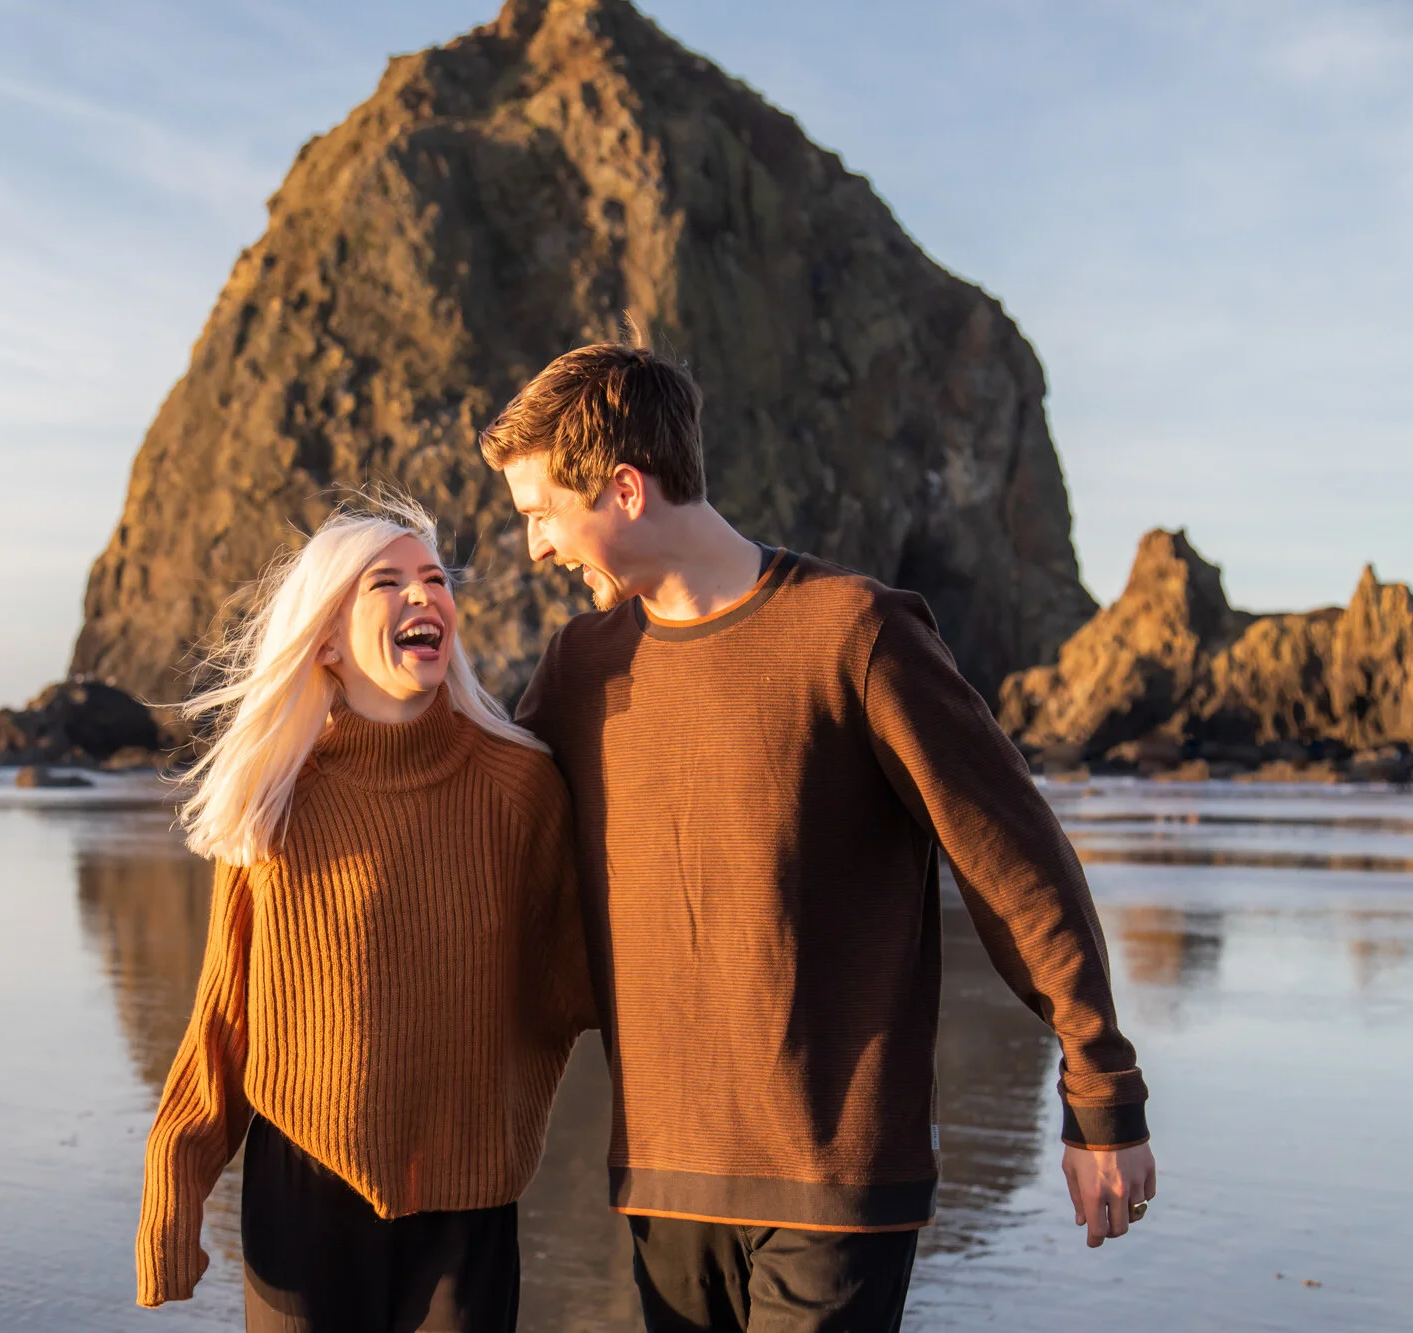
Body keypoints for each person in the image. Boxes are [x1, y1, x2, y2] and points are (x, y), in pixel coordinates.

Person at [480, 333, 1157, 1332]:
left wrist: (1100, 1087)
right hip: (662, 1181)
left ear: (622, 490)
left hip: (832, 1183)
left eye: (540, 514)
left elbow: (1011, 859)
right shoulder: (582, 665)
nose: (534, 546)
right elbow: (480, 823)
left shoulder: (852, 632)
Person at [132, 496, 592, 1332]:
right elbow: (226, 1013)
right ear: (330, 639)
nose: (426, 597)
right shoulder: (276, 800)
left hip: (471, 1199)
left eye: (436, 580)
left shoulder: (521, 789)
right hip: (302, 1183)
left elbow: (590, 983)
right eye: (389, 582)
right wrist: (177, 1172)